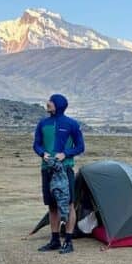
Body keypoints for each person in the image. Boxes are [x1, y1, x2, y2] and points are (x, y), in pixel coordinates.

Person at [33, 93, 85, 254]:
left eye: (51, 101)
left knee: (68, 204)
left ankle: (68, 241)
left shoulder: (71, 124)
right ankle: (54, 240)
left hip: (65, 169)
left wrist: (65, 154)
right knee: (52, 205)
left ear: (58, 104)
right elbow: (36, 144)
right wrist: (43, 153)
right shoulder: (42, 123)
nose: (47, 103)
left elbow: (80, 147)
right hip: (47, 169)